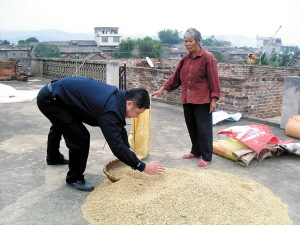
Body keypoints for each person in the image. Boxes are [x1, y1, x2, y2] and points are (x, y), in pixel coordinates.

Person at [37, 76, 166, 192]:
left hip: (61, 96)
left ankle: (53, 158)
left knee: (62, 123)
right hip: (50, 100)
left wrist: (129, 150)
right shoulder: (109, 109)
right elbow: (116, 146)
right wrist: (142, 167)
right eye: (138, 112)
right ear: (129, 103)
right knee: (80, 137)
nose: (137, 116)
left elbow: (119, 129)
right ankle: (74, 178)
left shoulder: (119, 97)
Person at [151, 28, 220, 167]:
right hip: (187, 99)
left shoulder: (208, 57)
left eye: (190, 41)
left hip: (202, 100)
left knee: (204, 128)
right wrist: (163, 88)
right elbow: (176, 76)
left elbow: (214, 79)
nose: (187, 44)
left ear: (198, 41)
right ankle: (196, 151)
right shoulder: (185, 58)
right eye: (185, 41)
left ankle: (206, 157)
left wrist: (214, 99)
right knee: (192, 127)